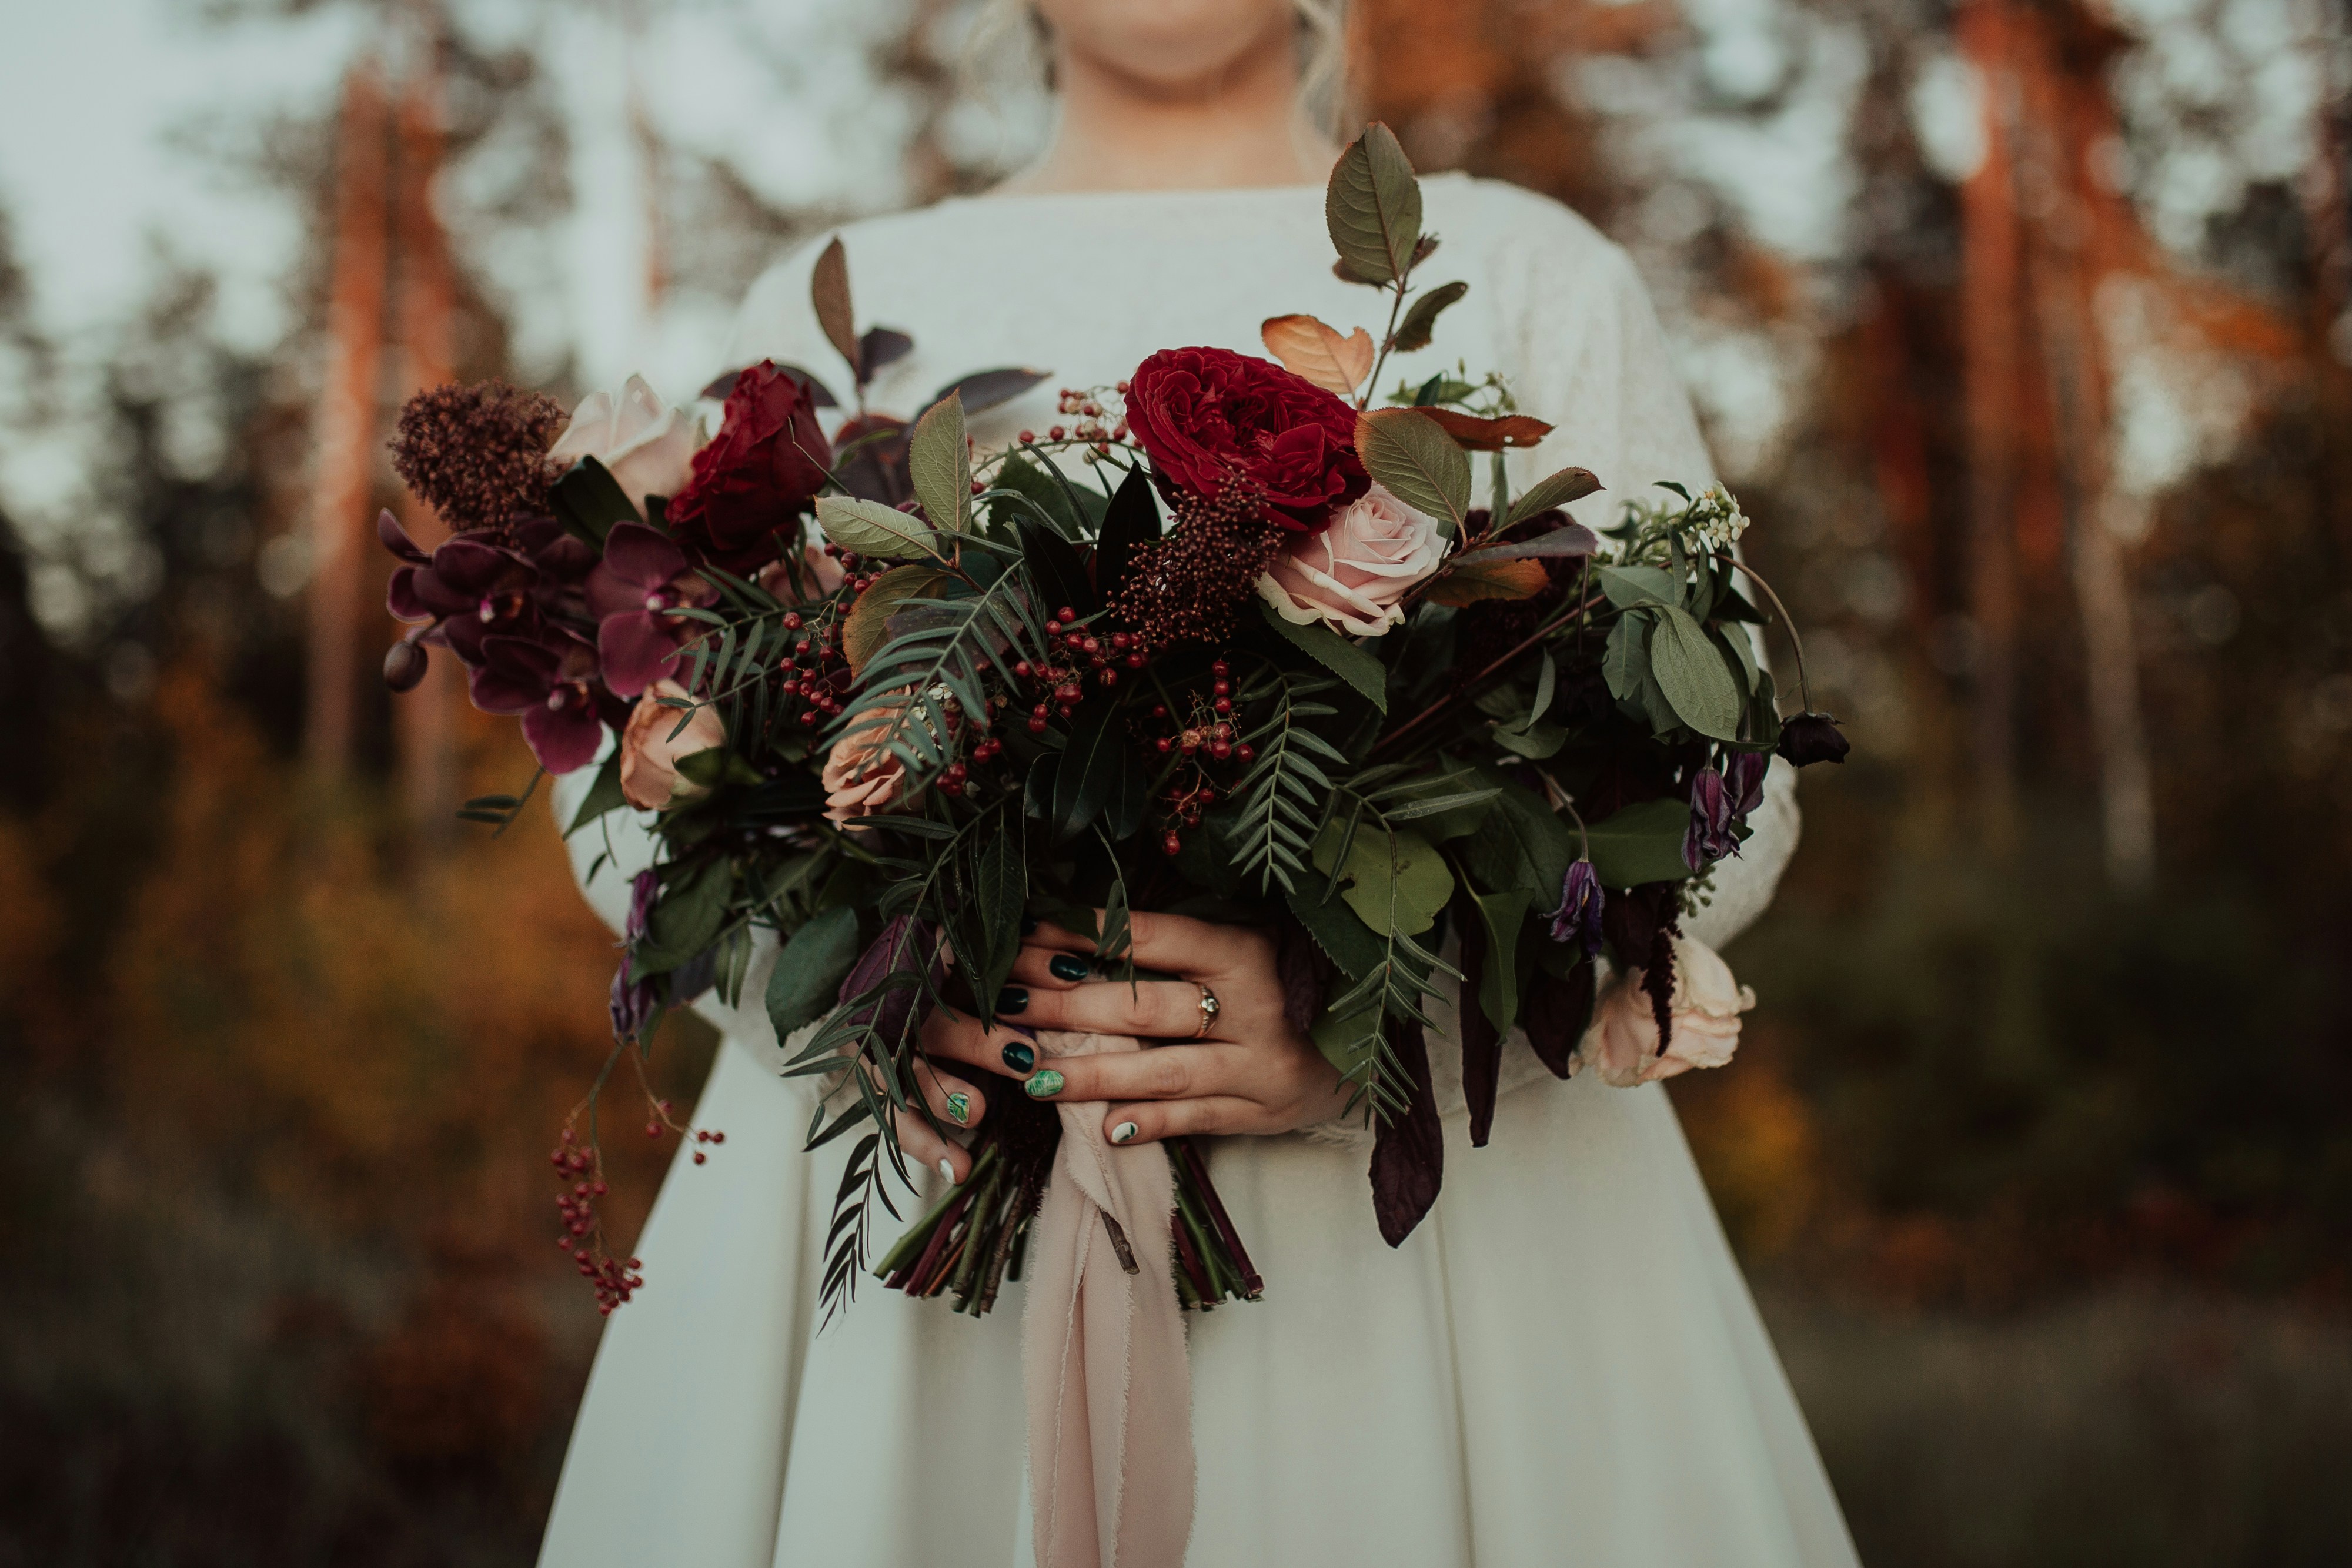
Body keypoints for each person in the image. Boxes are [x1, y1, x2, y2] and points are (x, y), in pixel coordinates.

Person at [539, 1, 1860, 1563]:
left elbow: (1729, 782)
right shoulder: (838, 297)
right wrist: (868, 999)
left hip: (1430, 1255)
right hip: (908, 1242)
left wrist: (1381, 1021)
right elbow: (632, 773)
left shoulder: (1524, 273)